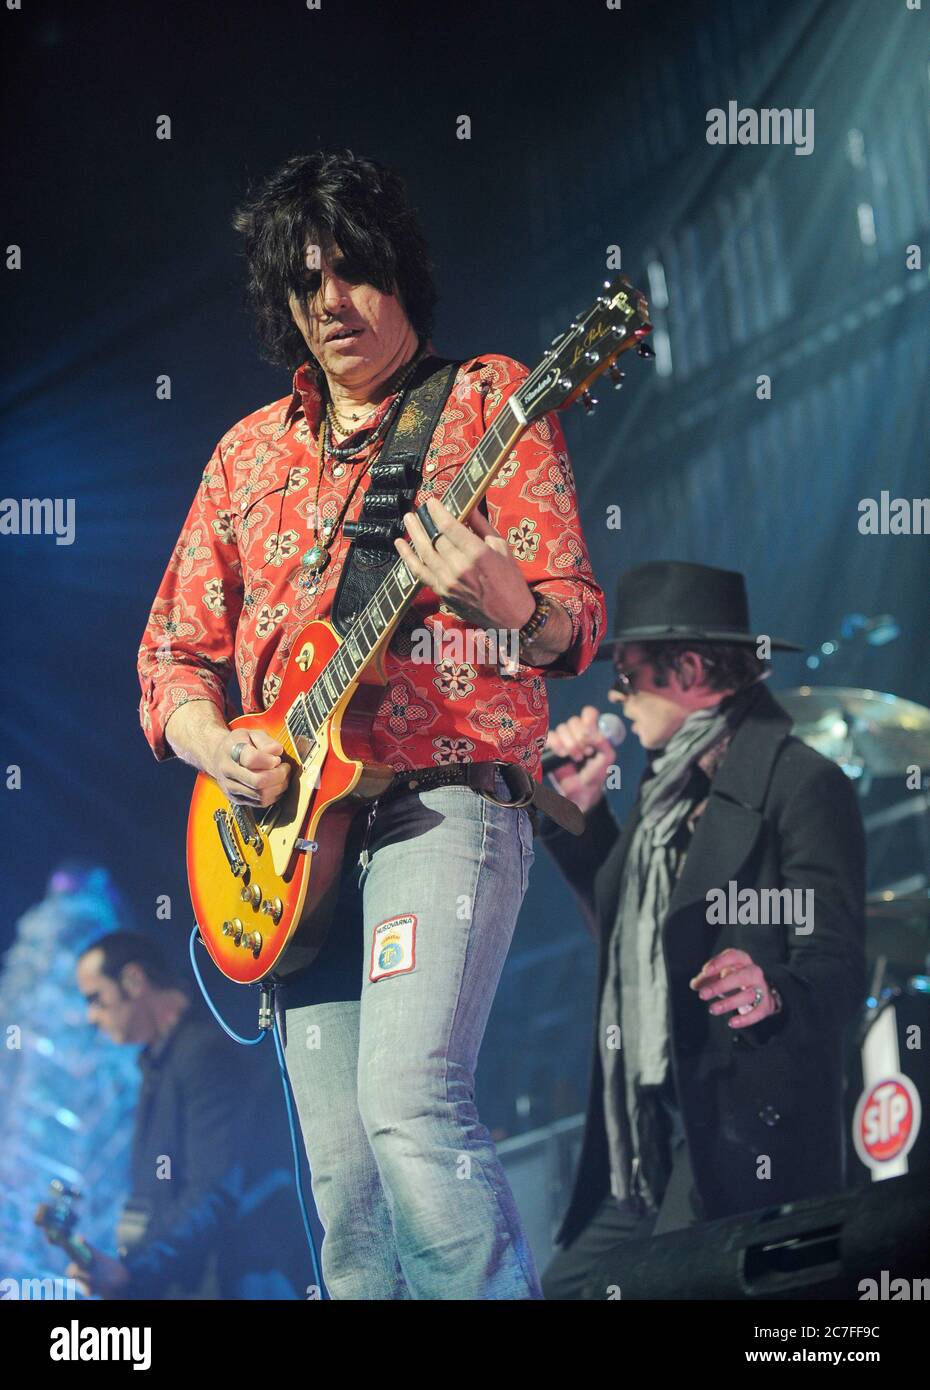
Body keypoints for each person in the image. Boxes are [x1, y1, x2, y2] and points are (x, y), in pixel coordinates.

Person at [136, 149, 606, 1299]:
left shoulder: (490, 398)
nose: (331, 306)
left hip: (439, 802)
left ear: (399, 274)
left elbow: (577, 620)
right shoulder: (246, 456)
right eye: (305, 287)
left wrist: (517, 606)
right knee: (343, 1196)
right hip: (290, 850)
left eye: (352, 274)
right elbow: (170, 657)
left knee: (408, 1103)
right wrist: (215, 744)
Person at [537, 561, 866, 1300]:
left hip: (739, 1126)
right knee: (565, 1291)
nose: (616, 695)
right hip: (649, 1131)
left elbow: (840, 964)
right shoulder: (661, 792)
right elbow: (624, 930)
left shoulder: (801, 782)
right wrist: (579, 813)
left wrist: (771, 990)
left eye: (628, 676)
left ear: (687, 669)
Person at [69, 930, 304, 1299]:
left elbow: (213, 1191)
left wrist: (136, 1272)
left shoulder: (203, 1054)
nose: (91, 1016)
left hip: (237, 1276)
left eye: (96, 998)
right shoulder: (160, 1062)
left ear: (134, 980)